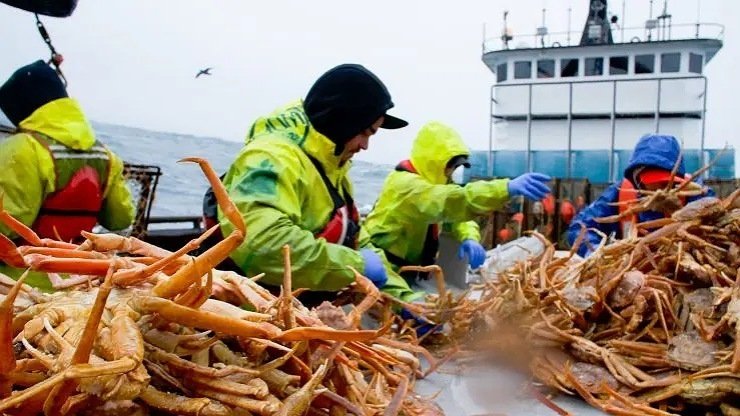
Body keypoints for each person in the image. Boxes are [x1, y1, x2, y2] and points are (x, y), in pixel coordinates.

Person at [214, 63, 418, 302]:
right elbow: (262, 244)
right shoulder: (269, 158)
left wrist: (404, 299)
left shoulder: (333, 167)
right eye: (365, 133)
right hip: (251, 314)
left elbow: (356, 243)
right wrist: (357, 266)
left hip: (303, 312)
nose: (365, 146)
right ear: (342, 122)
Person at [0, 60, 135, 290]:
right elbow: (120, 219)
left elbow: (6, 226)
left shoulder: (21, 148)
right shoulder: (107, 156)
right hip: (79, 284)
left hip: (16, 286)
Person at [360, 121, 552, 280]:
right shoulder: (406, 185)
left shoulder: (437, 184)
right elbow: (452, 201)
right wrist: (505, 188)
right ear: (433, 161)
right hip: (380, 267)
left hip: (411, 272)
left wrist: (469, 237)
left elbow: (458, 216)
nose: (451, 172)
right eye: (449, 166)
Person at [566, 134, 715, 257]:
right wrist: (593, 250)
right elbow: (580, 226)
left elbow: (721, 229)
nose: (659, 190)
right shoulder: (619, 193)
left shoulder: (699, 194)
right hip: (631, 277)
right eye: (653, 181)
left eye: (666, 182)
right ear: (637, 178)